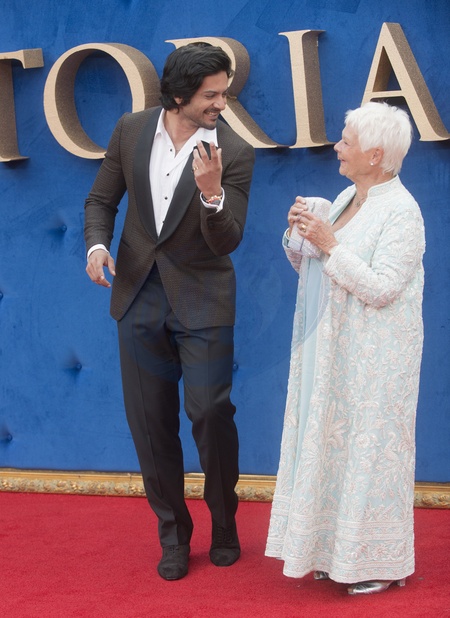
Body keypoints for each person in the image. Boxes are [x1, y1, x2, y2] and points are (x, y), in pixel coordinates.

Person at [84, 42, 255, 581]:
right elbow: (101, 200)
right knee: (150, 424)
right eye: (211, 95)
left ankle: (223, 523)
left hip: (203, 298)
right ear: (179, 95)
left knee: (209, 413)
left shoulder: (234, 151)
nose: (221, 103)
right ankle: (174, 535)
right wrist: (96, 245)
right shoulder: (130, 130)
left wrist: (211, 195)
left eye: (224, 93)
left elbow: (227, 241)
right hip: (137, 294)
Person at [265, 101, 425, 595]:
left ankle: (380, 563)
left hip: (376, 360)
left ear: (375, 155)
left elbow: (382, 288)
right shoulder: (343, 198)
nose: (337, 146)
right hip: (334, 351)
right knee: (332, 451)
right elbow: (316, 271)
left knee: (369, 454)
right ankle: (328, 552)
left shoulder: (403, 211)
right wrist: (299, 235)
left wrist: (330, 243)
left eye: (347, 141)